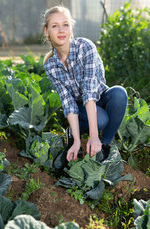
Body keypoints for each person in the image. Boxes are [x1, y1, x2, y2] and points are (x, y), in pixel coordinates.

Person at [43, 6, 127, 162]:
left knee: (119, 93)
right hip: (80, 107)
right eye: (55, 26)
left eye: (65, 24)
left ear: (71, 28)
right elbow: (68, 102)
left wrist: (94, 136)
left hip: (100, 97)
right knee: (101, 120)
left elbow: (89, 91)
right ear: (46, 31)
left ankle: (105, 144)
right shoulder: (50, 65)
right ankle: (75, 132)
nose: (61, 30)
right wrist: (76, 141)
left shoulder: (85, 47)